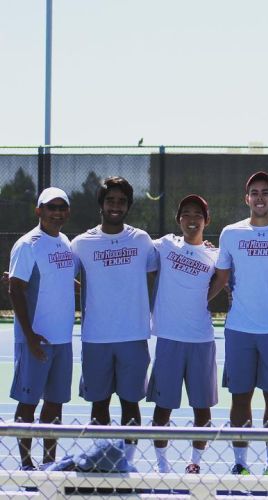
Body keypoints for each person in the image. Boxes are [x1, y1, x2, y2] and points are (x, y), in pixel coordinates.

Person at [211, 171, 268, 475]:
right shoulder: (230, 234)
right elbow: (221, 277)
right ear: (246, 198)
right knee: (240, 398)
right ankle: (240, 464)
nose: (260, 197)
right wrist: (199, 302)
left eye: (266, 192)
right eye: (255, 192)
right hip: (240, 330)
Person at [71, 176, 158, 468]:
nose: (116, 206)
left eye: (122, 201)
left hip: (133, 335)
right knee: (100, 403)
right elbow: (61, 275)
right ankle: (102, 460)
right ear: (101, 204)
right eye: (111, 200)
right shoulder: (81, 243)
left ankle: (126, 463)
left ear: (128, 206)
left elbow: (155, 272)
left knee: (130, 403)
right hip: (96, 336)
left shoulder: (142, 240)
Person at [147, 195, 220, 474]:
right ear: (179, 220)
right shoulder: (164, 245)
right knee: (163, 407)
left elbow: (227, 283)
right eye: (186, 213)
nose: (192, 219)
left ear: (206, 220)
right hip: (169, 338)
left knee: (202, 408)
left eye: (197, 214)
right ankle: (162, 467)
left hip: (201, 339)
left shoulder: (215, 254)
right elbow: (134, 257)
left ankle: (195, 464)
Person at [8, 187, 75, 470]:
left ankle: (49, 462)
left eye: (61, 207)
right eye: (51, 207)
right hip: (36, 339)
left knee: (55, 404)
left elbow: (63, 282)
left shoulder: (66, 242)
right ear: (39, 211)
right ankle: (25, 464)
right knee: (28, 403)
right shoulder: (28, 244)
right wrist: (30, 336)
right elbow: (15, 289)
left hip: (62, 339)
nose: (56, 212)